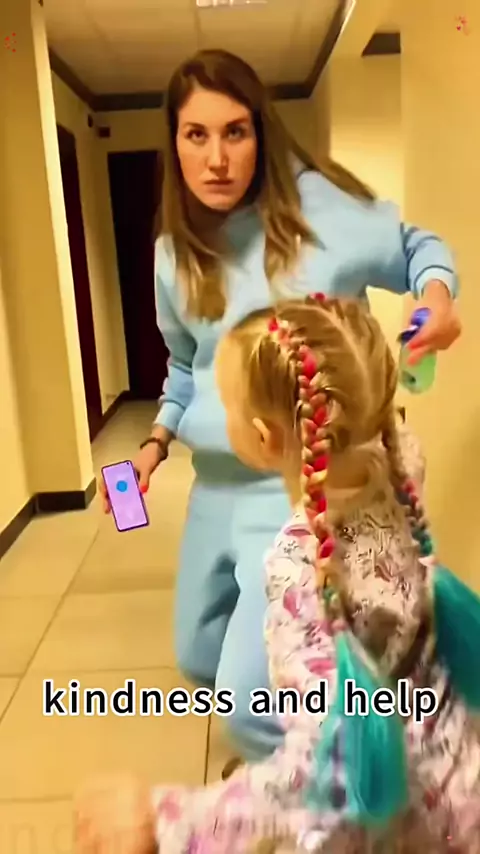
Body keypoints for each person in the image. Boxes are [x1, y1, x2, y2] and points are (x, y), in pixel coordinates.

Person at [101, 48, 461, 760]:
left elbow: (417, 247)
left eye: (234, 132)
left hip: (295, 484)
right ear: (174, 144)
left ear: (261, 133)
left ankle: (331, 782)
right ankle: (304, 738)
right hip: (215, 485)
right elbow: (185, 365)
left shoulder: (320, 213)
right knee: (199, 654)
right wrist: (154, 444)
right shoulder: (174, 254)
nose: (217, 159)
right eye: (196, 135)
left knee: (249, 706)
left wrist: (437, 298)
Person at [80, 296, 480, 854]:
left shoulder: (300, 572)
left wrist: (165, 821)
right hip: (458, 776)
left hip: (395, 815)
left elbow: (317, 773)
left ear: (263, 440)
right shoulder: (400, 461)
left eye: (226, 406)